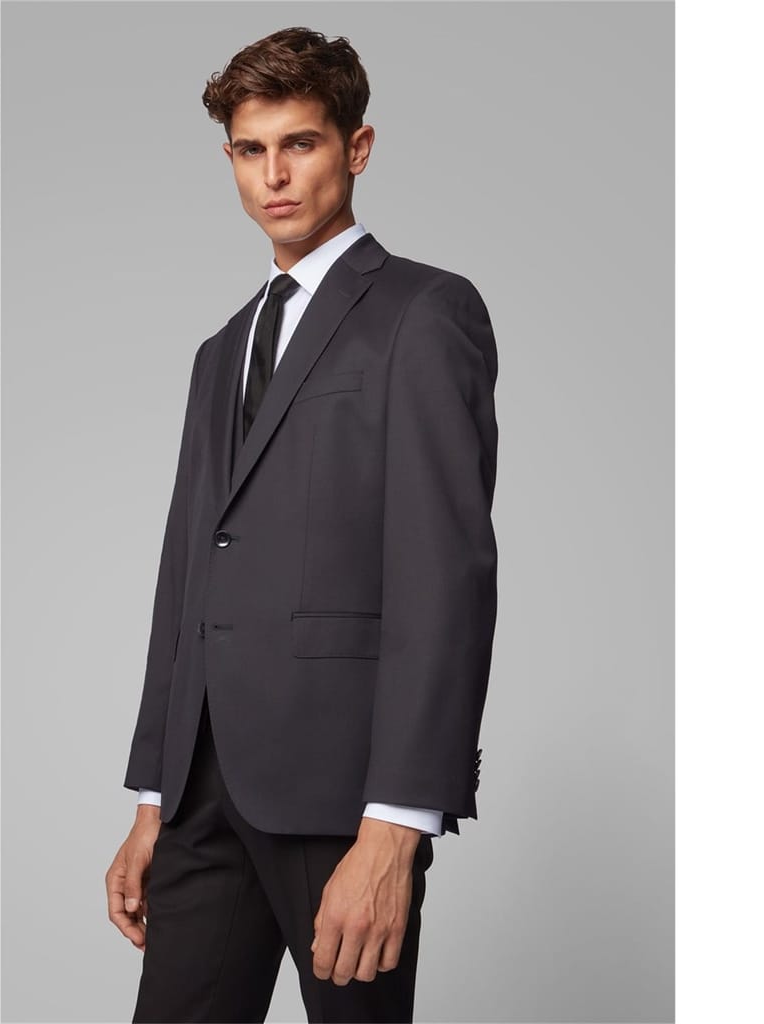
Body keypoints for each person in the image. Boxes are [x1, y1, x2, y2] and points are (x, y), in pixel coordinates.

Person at [104, 26, 499, 1024]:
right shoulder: (220, 351)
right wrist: (153, 798)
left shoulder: (423, 313)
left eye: (301, 144)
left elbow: (444, 581)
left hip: (342, 797)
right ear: (230, 159)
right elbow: (187, 576)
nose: (273, 176)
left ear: (356, 147)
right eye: (251, 150)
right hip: (203, 793)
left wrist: (396, 825)